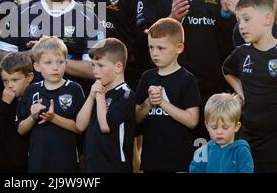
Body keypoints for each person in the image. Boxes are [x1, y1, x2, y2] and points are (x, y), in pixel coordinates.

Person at [0, 0, 103, 87]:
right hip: (29, 102)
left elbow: (95, 70)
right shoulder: (20, 12)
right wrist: (31, 54)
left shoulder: (88, 18)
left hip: (75, 104)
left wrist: (49, 55)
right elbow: (0, 59)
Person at [135, 18, 201, 172]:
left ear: (179, 48)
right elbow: (136, 117)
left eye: (161, 48)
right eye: (151, 47)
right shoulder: (147, 77)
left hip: (178, 162)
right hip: (151, 160)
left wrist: (163, 103)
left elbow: (192, 120)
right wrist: (149, 103)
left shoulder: (187, 79)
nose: (154, 53)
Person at [222, 0, 277, 173]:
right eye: (238, 21)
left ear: (268, 19)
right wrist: (241, 91)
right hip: (248, 138)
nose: (241, 26)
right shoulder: (242, 53)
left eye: (246, 19)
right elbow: (226, 70)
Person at [16, 36, 85, 172]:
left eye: (60, 62)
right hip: (38, 161)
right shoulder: (31, 90)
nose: (55, 67)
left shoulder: (74, 89)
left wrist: (54, 118)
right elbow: (20, 130)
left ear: (66, 63)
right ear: (37, 66)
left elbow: (80, 127)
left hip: (66, 162)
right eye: (48, 62)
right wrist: (33, 117)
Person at [76, 38, 136, 172]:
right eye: (93, 65)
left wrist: (100, 96)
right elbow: (80, 126)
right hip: (92, 166)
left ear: (118, 67)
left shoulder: (126, 94)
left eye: (101, 65)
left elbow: (105, 126)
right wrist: (91, 97)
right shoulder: (98, 92)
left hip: (114, 167)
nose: (95, 71)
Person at [0, 52, 34, 173]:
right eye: (5, 81)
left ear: (29, 77)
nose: (10, 85)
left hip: (29, 164)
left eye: (15, 80)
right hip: (3, 164)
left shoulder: (36, 98)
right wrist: (4, 104)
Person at [189, 93, 253, 173]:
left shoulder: (241, 151)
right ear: (207, 126)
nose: (219, 132)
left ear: (236, 126)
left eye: (225, 127)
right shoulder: (202, 152)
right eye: (214, 127)